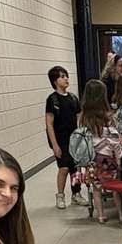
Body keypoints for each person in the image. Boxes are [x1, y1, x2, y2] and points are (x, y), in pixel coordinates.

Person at [70, 79, 122, 225]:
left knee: (97, 188)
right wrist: (118, 157)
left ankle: (100, 215)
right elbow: (114, 139)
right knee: (114, 186)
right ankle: (120, 214)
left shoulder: (84, 117)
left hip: (92, 159)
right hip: (107, 158)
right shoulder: (107, 115)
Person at [45, 66, 85, 210]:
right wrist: (54, 145)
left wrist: (81, 138)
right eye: (62, 76)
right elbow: (49, 124)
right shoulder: (52, 100)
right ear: (55, 81)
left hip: (74, 140)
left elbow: (79, 119)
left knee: (76, 168)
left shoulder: (73, 98)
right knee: (64, 168)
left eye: (66, 76)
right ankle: (60, 195)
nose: (66, 79)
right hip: (60, 140)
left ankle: (76, 194)